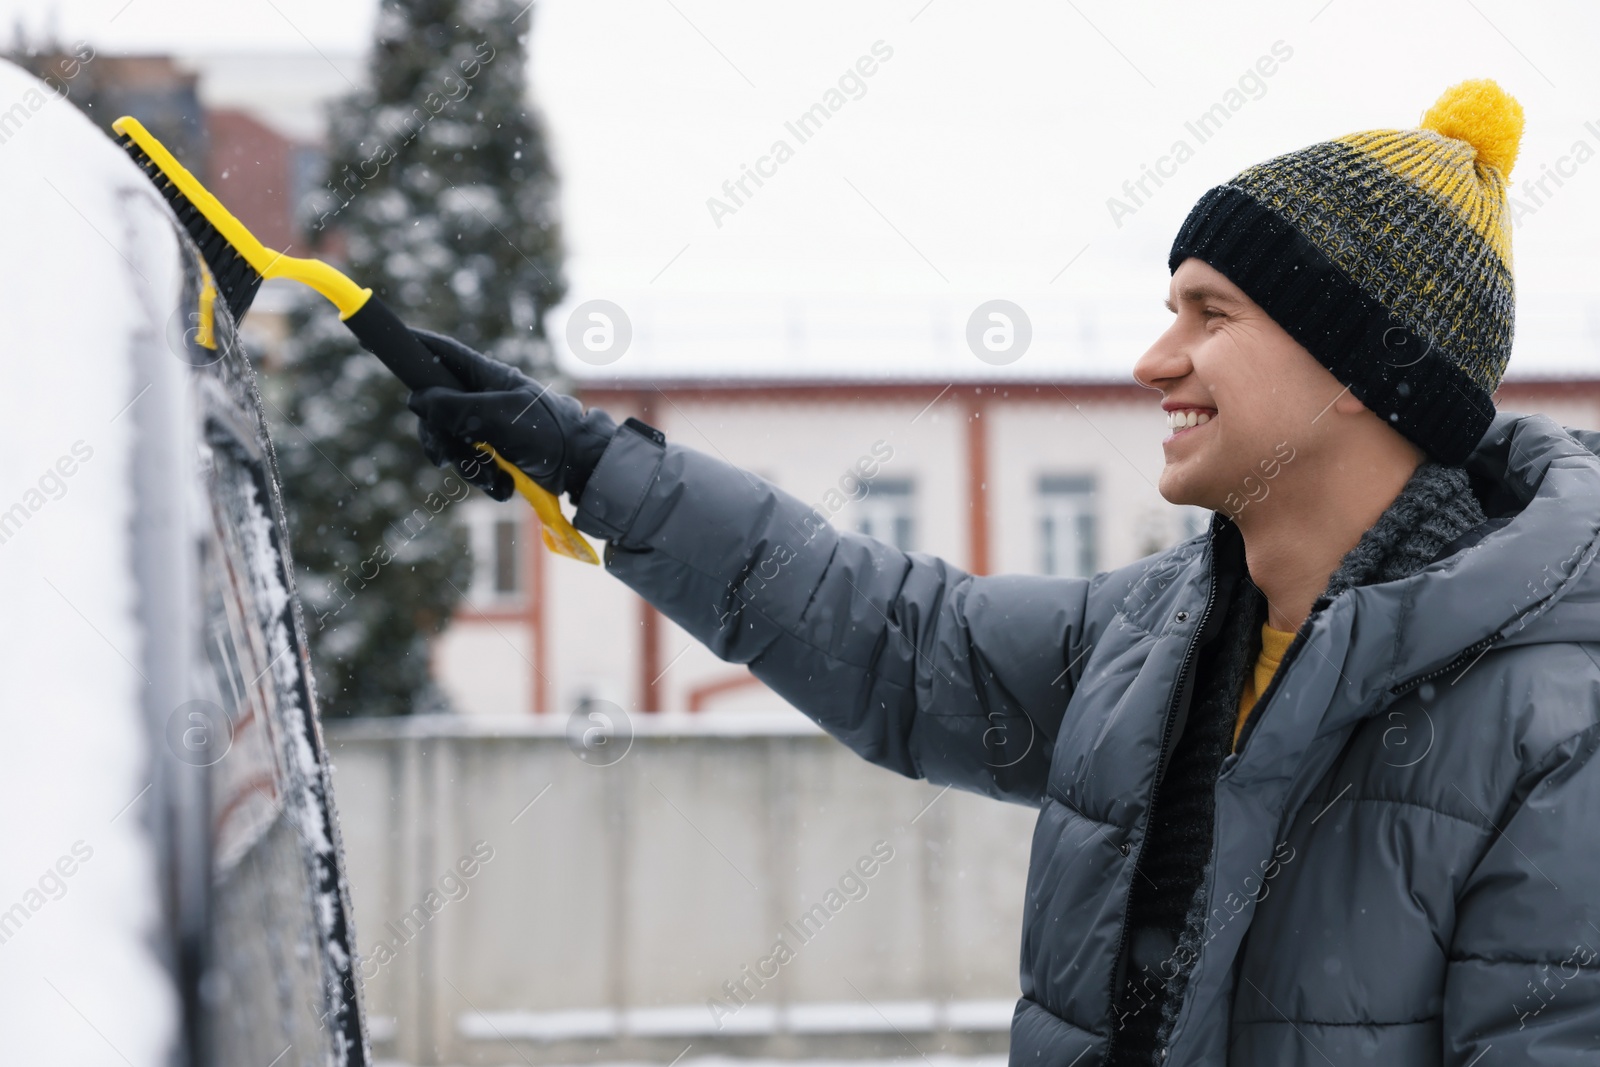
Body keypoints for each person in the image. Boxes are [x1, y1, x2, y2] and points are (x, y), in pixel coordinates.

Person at [405, 79, 1600, 1065]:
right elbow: (898, 640)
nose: (1154, 357)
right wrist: (594, 464)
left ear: (1358, 368)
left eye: (1209, 313)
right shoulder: (1161, 635)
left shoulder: (1556, 730)